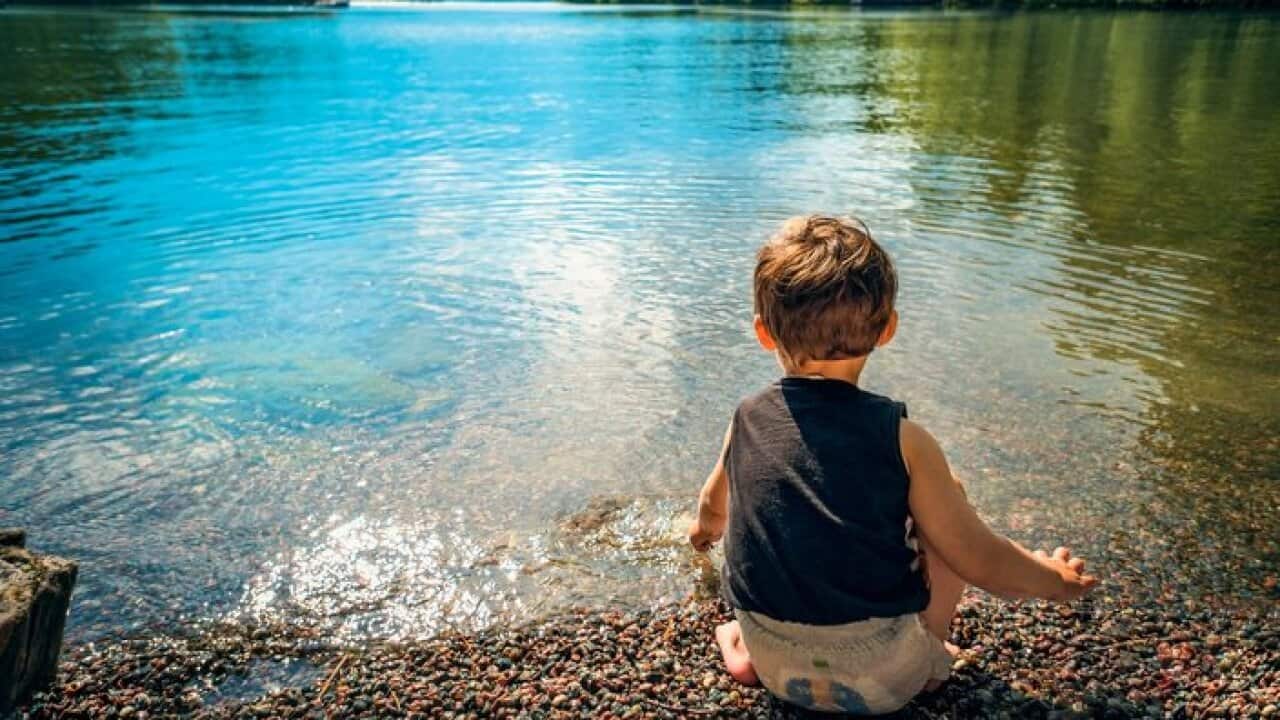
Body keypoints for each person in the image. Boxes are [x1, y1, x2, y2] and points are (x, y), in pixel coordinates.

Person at [687, 215, 1098, 715]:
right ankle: (930, 657)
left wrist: (701, 539)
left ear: (763, 334)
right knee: (948, 498)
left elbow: (712, 508)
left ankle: (743, 649)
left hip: (775, 664)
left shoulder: (746, 418)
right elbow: (980, 559)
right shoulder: (904, 440)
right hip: (883, 678)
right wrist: (1055, 580)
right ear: (887, 329)